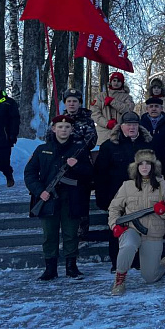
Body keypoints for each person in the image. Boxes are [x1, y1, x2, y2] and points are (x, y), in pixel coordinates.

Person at [24, 114, 93, 281]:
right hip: (48, 199)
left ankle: (71, 267)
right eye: (60, 127)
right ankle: (50, 268)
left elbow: (90, 173)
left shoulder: (79, 150)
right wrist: (40, 191)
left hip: (72, 198)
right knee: (49, 234)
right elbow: (30, 173)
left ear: (72, 130)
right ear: (53, 129)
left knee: (71, 234)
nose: (64, 130)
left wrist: (76, 166)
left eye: (67, 127)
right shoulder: (42, 150)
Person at [108, 149, 165, 295]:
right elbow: (114, 208)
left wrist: (164, 211)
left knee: (150, 277)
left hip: (153, 233)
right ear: (136, 167)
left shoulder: (164, 186)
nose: (144, 167)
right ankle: (119, 280)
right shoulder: (127, 185)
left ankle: (163, 264)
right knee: (128, 245)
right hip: (132, 229)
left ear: (154, 166)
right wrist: (114, 225)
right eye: (141, 164)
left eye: (148, 164)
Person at [93, 111, 153, 271]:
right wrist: (103, 199)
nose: (132, 127)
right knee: (118, 230)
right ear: (121, 126)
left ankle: (139, 261)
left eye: (134, 124)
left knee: (142, 228)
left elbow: (158, 171)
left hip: (143, 195)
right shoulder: (109, 146)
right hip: (116, 196)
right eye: (128, 124)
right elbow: (100, 174)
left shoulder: (148, 145)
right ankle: (117, 262)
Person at [45, 88, 97, 239]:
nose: (72, 104)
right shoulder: (59, 119)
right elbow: (49, 139)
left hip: (80, 164)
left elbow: (91, 141)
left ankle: (82, 231)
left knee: (81, 199)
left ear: (80, 103)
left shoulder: (87, 120)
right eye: (69, 101)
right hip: (61, 165)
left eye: (75, 101)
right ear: (65, 103)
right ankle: (66, 232)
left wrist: (71, 140)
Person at [93, 71, 135, 145]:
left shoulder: (127, 97)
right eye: (114, 80)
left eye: (118, 81)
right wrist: (106, 123)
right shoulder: (100, 96)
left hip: (120, 134)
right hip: (103, 134)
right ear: (110, 81)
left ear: (122, 83)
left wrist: (113, 102)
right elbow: (94, 113)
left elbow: (128, 110)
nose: (116, 83)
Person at [139, 97, 165, 177]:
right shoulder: (140, 124)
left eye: (156, 106)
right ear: (147, 109)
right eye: (151, 106)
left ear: (161, 109)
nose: (154, 109)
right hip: (145, 162)